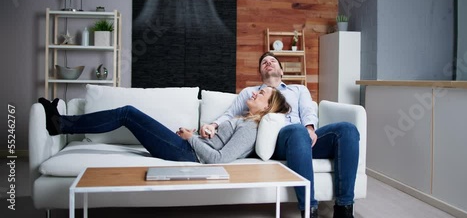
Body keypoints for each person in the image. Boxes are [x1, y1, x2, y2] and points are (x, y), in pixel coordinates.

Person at [200, 52, 359, 218]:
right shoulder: (250, 93)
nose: (268, 63)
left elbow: (308, 111)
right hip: (278, 141)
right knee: (296, 130)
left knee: (347, 130)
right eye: (264, 63)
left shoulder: (298, 90)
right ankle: (309, 211)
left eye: (273, 61)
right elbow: (229, 114)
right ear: (260, 73)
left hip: (305, 137)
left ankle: (344, 209)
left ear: (281, 71)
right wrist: (213, 125)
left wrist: (310, 129)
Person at [38, 86, 290, 164]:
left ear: (268, 107)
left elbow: (219, 160)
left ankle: (61, 124)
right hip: (186, 146)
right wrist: (197, 134)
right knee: (128, 114)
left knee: (127, 113)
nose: (256, 92)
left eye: (262, 94)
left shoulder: (250, 129)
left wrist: (191, 138)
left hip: (186, 152)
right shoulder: (243, 119)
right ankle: (62, 122)